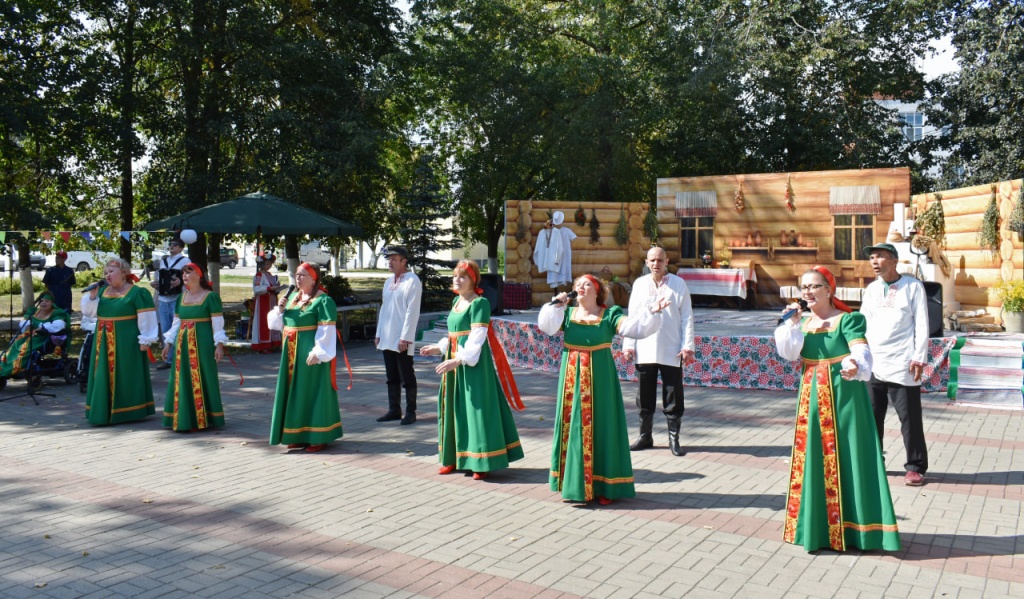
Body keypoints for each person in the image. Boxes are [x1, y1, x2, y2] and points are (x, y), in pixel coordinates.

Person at [774, 266, 900, 552]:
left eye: (814, 286)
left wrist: (855, 364)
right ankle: (816, 529)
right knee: (814, 459)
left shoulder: (847, 320)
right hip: (812, 399)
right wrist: (790, 323)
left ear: (829, 290)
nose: (808, 292)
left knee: (850, 456)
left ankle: (858, 532)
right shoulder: (801, 323)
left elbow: (861, 350)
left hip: (845, 397)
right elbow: (790, 352)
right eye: (803, 287)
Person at [538, 274, 667, 505]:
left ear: (598, 291)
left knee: (602, 426)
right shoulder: (566, 314)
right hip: (571, 379)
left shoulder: (609, 315)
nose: (581, 287)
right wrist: (555, 306)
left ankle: (605, 485)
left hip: (600, 379)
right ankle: (575, 485)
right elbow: (546, 327)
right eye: (578, 284)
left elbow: (634, 328)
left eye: (587, 284)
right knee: (574, 424)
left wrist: (653, 312)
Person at [419, 260, 525, 479]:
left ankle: (481, 461)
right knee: (453, 408)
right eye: (455, 276)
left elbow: (476, 339)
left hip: (473, 365)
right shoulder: (456, 301)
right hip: (454, 362)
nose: (457, 280)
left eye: (463, 276)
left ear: (473, 279)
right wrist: (439, 347)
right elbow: (455, 335)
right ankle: (453, 458)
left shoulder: (480, 303)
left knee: (475, 408)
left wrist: (458, 360)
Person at [860, 242, 930, 487]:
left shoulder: (913, 287)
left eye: (880, 257)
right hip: (874, 361)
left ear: (894, 260)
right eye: (872, 258)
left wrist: (919, 356)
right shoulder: (870, 290)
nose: (874, 262)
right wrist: (859, 354)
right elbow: (863, 323)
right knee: (870, 416)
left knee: (909, 418)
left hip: (903, 361)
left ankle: (915, 467)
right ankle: (873, 459)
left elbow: (922, 323)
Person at [622, 246, 695, 456]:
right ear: (646, 262)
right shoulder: (640, 284)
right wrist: (628, 344)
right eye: (652, 260)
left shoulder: (678, 284)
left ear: (667, 261)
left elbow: (686, 317)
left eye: (660, 260)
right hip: (644, 347)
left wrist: (687, 345)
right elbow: (632, 316)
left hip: (671, 347)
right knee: (644, 396)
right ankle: (645, 436)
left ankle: (674, 439)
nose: (656, 264)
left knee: (673, 394)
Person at [267, 262, 342, 452]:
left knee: (312, 391)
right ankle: (297, 434)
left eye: (303, 275)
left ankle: (318, 435)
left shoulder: (323, 300)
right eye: (297, 275)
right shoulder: (292, 297)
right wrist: (280, 309)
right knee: (295, 392)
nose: (298, 278)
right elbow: (275, 325)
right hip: (291, 354)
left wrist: (319, 352)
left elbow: (327, 329)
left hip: (309, 353)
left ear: (314, 278)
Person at [82, 258, 158, 425]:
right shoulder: (101, 292)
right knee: (102, 373)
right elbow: (90, 313)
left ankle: (129, 411)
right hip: (103, 341)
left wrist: (146, 338)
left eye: (111, 271)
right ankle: (103, 409)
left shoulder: (137, 293)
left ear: (124, 272)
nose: (108, 275)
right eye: (106, 273)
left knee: (126, 373)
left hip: (126, 342)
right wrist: (93, 297)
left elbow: (147, 317)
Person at [160, 263, 227, 432]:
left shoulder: (210, 297)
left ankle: (202, 417)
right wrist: (168, 343)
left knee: (202, 376)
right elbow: (176, 323)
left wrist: (219, 345)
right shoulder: (181, 298)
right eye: (183, 273)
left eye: (188, 273)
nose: (184, 276)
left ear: (199, 275)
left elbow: (218, 324)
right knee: (182, 378)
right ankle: (184, 416)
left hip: (202, 344)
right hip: (182, 345)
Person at [375, 246, 422, 425]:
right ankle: (394, 409)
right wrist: (379, 333)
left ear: (404, 261)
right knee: (391, 375)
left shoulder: (412, 280)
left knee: (407, 375)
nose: (390, 262)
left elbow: (412, 312)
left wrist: (406, 338)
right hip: (387, 335)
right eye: (389, 259)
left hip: (402, 337)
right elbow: (385, 309)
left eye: (394, 259)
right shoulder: (388, 282)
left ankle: (411, 411)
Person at [0, 291, 70, 380]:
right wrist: (28, 326)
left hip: (44, 338)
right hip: (29, 335)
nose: (44, 303)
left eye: (47, 301)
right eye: (42, 301)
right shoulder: (34, 311)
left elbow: (59, 326)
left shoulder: (57, 313)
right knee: (15, 345)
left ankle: (17, 368)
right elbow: (24, 323)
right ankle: (4, 367)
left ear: (52, 303)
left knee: (26, 349)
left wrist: (40, 328)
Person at [150, 238, 187, 370]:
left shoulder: (185, 261)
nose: (171, 246)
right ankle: (168, 360)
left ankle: (179, 359)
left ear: (181, 248)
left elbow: (189, 278)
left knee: (177, 329)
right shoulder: (164, 261)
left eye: (175, 245)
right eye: (170, 244)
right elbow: (161, 279)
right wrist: (156, 284)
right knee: (166, 330)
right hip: (163, 298)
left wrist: (180, 282)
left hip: (177, 298)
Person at [250, 253, 285, 353]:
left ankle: (272, 343)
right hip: (263, 301)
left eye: (270, 264)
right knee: (264, 322)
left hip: (272, 300)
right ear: (261, 264)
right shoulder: (259, 275)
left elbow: (273, 286)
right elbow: (257, 289)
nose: (269, 266)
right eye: (267, 264)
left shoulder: (269, 275)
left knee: (272, 320)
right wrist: (269, 288)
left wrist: (277, 287)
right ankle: (262, 345)